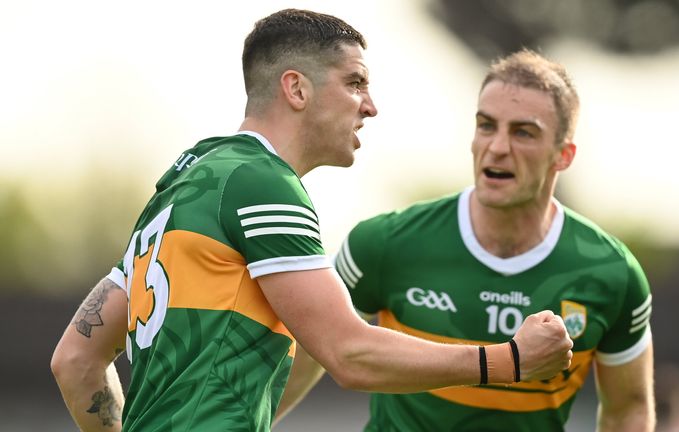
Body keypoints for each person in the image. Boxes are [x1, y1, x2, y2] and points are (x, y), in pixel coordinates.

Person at [49, 10, 574, 432]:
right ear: (296, 89)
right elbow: (349, 352)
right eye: (355, 83)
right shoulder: (262, 182)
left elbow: (75, 360)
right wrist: (507, 361)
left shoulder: (184, 185)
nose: (370, 106)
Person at [278, 49, 656, 431]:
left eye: (523, 132)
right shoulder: (384, 243)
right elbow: (301, 362)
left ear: (563, 155)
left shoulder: (613, 273)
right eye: (486, 125)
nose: (497, 147)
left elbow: (629, 411)